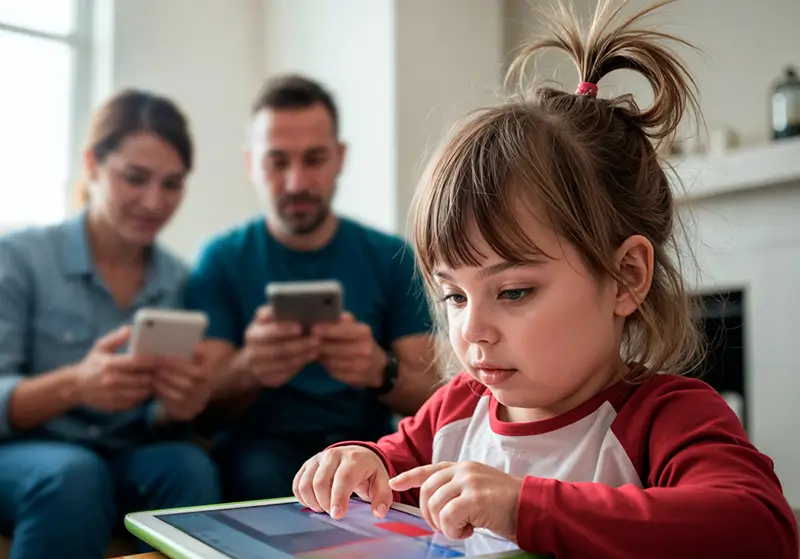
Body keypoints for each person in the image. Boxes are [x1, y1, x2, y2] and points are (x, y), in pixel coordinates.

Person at [290, 1, 800, 557]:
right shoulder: (457, 409)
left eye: (513, 291)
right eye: (455, 295)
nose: (472, 330)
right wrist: (357, 461)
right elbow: (387, 466)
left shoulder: (664, 418)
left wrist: (522, 506)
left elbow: (761, 529)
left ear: (626, 277)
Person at [186, 74, 437, 502]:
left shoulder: (391, 256)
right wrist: (250, 368)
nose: (297, 182)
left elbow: (435, 398)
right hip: (259, 451)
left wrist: (379, 370)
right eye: (278, 162)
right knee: (260, 475)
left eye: (314, 159)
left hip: (366, 447)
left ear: (340, 158)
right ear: (251, 164)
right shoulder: (222, 260)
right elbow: (198, 407)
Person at [0, 89, 221, 559]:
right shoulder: (19, 258)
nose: (153, 201)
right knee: (74, 474)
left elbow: (157, 423)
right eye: (135, 178)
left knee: (190, 466)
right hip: (24, 455)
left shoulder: (178, 279)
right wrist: (74, 387)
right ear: (92, 165)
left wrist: (178, 405)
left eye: (172, 184)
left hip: (122, 456)